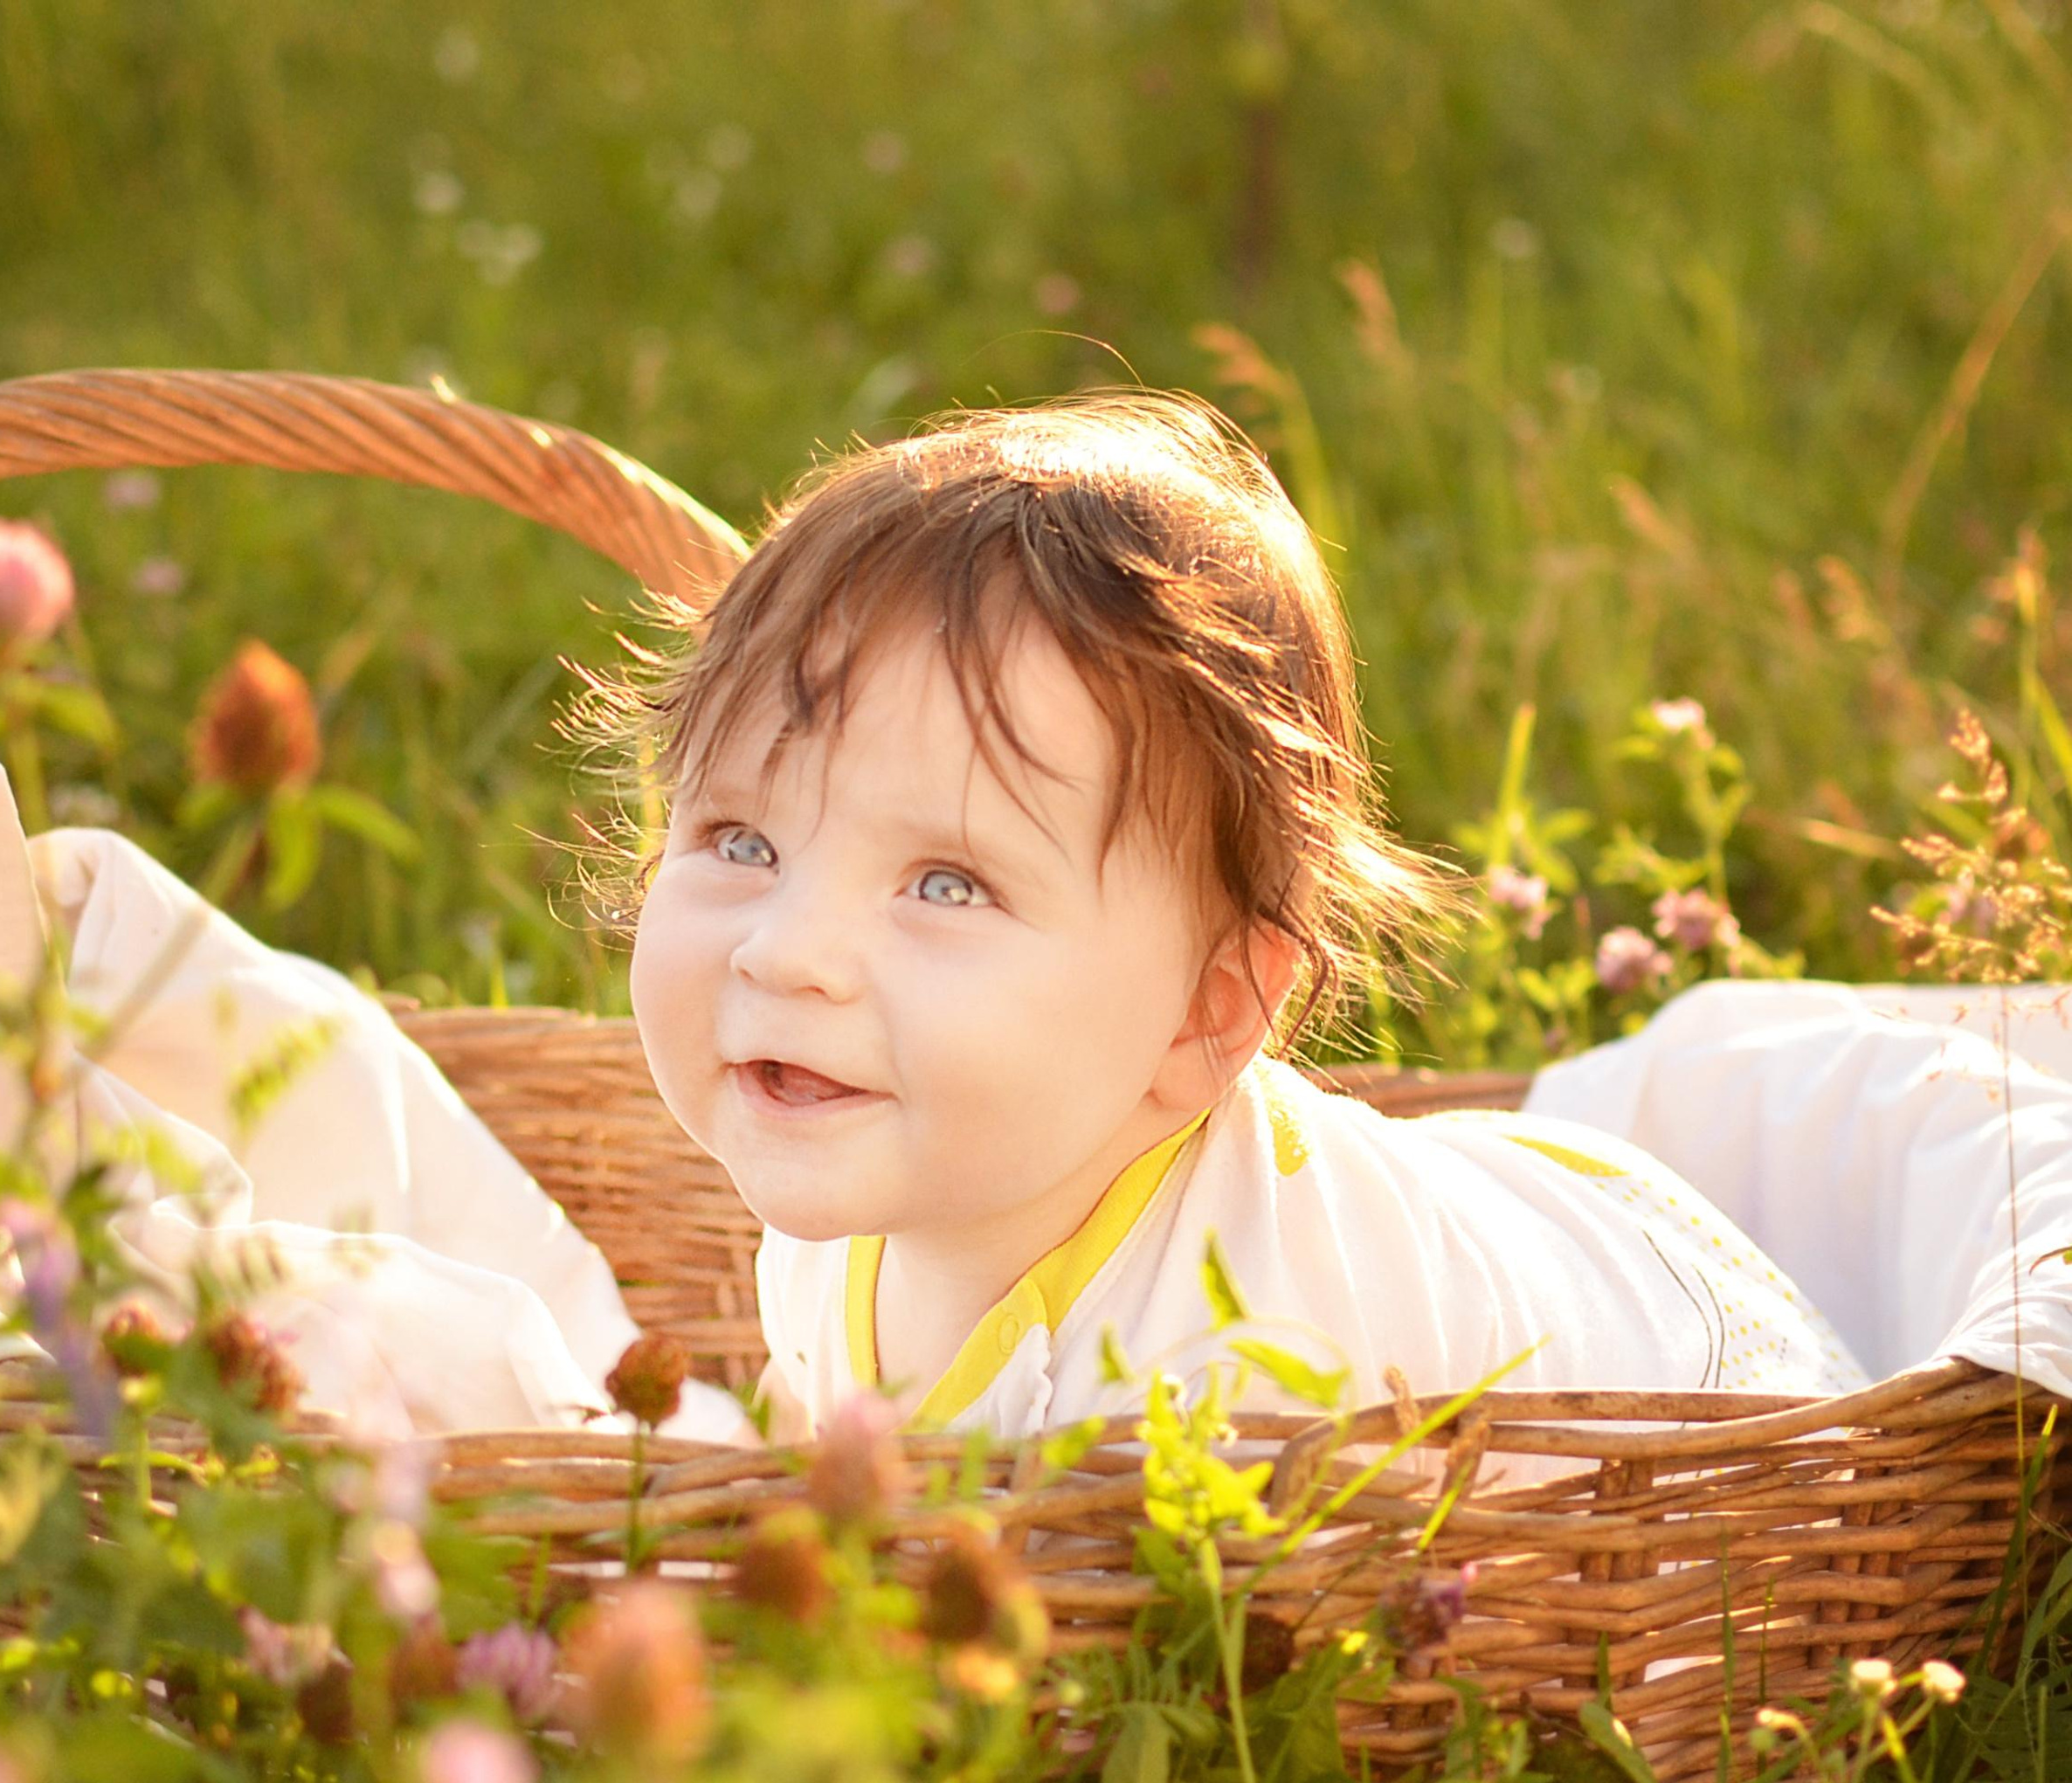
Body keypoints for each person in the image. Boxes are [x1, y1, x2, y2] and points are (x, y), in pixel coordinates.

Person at [601, 392, 1861, 1438]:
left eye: (948, 885)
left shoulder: (1250, 1348)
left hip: (1699, 1404)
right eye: (741, 841)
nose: (787, 950)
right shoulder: (851, 1198)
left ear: (1207, 1013)